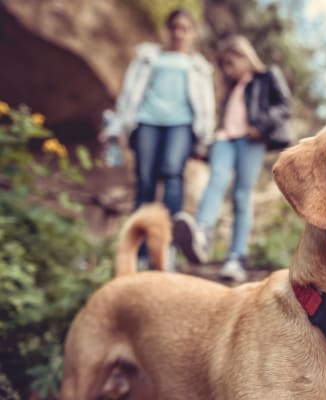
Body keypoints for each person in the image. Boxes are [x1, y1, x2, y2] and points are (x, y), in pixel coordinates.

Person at [101, 9, 215, 271]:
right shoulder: (148, 58)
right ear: (168, 30)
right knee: (145, 182)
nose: (179, 33)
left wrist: (204, 136)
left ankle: (167, 250)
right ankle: (139, 253)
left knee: (173, 175)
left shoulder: (199, 67)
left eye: (185, 28)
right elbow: (129, 94)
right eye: (175, 27)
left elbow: (206, 104)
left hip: (181, 125)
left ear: (193, 33)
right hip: (147, 121)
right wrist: (118, 125)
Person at [173, 35, 291, 282]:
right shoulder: (231, 90)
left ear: (244, 56)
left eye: (230, 63)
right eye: (224, 65)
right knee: (216, 180)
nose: (227, 70)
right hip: (225, 140)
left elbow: (283, 106)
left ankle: (236, 257)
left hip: (252, 140)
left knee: (241, 195)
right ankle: (202, 235)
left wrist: (260, 126)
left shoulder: (267, 76)